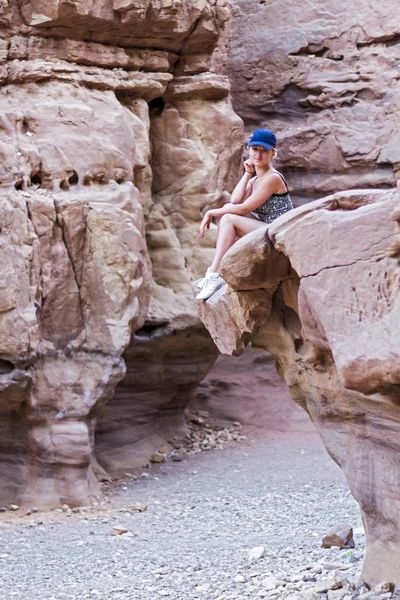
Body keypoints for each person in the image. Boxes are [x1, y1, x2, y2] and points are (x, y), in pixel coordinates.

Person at [196, 128, 293, 301]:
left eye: (264, 151)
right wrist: (248, 173)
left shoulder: (273, 178)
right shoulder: (256, 178)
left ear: (273, 154)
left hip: (279, 233)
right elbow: (235, 200)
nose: (259, 154)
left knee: (228, 217)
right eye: (255, 149)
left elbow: (242, 209)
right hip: (266, 228)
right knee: (227, 211)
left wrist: (211, 212)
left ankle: (214, 273)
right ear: (248, 149)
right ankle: (215, 272)